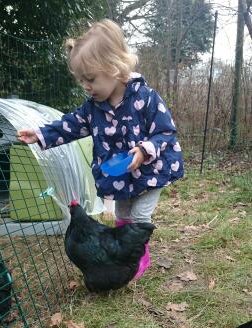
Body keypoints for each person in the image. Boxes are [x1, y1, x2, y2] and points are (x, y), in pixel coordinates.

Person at [18, 19, 184, 280]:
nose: (85, 86)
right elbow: (70, 125)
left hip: (151, 171)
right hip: (120, 175)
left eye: (91, 79)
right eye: (81, 80)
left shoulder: (146, 98)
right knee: (121, 213)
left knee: (139, 215)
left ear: (115, 69)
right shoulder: (93, 107)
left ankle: (138, 256)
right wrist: (40, 135)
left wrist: (143, 150)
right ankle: (122, 252)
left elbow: (166, 132)